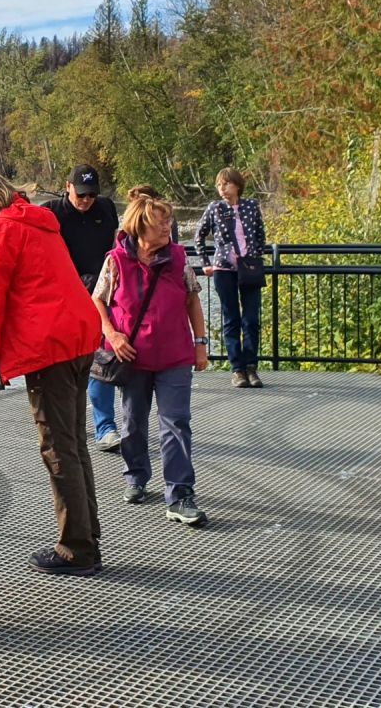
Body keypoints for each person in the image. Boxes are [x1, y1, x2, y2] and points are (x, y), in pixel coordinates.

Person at [0, 170, 104, 576]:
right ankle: (87, 540)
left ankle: (77, 550)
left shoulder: (4, 231)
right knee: (75, 444)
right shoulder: (39, 222)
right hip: (77, 337)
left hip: (49, 348)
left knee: (58, 448)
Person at [93, 192, 210, 526]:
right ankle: (136, 476)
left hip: (174, 355)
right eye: (161, 223)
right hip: (133, 357)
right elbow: (97, 300)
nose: (168, 228)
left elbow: (192, 300)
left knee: (176, 423)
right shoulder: (116, 261)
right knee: (133, 421)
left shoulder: (176, 257)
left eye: (169, 222)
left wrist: (200, 343)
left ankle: (180, 494)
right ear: (140, 226)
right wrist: (112, 334)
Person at [42, 165, 122, 453]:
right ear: (67, 187)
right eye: (81, 194)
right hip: (64, 298)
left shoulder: (105, 208)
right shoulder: (51, 212)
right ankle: (70, 424)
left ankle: (105, 427)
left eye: (91, 195)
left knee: (102, 359)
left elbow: (116, 246)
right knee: (69, 365)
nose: (86, 200)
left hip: (101, 295)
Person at [194, 167, 268, 388]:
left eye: (226, 184)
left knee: (252, 319)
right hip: (224, 270)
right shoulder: (215, 208)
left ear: (237, 185)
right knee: (231, 318)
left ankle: (251, 367)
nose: (222, 189)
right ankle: (237, 369)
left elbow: (260, 234)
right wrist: (206, 263)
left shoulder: (251, 206)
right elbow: (199, 235)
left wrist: (255, 256)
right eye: (219, 185)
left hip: (249, 269)